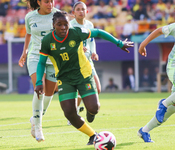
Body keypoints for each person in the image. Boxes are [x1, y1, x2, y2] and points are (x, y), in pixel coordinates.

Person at [34, 11, 133, 145]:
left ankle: (90, 112)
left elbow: (98, 32)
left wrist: (119, 43)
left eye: (66, 24)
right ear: (54, 25)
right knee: (69, 113)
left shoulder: (76, 32)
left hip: (84, 75)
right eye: (59, 24)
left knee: (94, 108)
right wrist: (39, 82)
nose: (63, 27)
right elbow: (41, 63)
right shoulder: (47, 41)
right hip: (65, 79)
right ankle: (93, 135)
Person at [137, 1, 175, 142]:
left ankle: (144, 131)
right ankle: (163, 104)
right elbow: (160, 30)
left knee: (174, 109)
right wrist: (143, 44)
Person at [18, 0, 59, 142]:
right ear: (39, 2)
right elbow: (28, 34)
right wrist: (25, 52)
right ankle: (38, 127)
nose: (50, 4)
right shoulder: (30, 17)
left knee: (50, 93)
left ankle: (34, 119)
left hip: (53, 58)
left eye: (52, 1)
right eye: (47, 1)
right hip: (35, 56)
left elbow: (67, 32)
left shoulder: (58, 15)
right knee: (39, 90)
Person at [69, 1, 101, 125]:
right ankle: (73, 115)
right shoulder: (70, 26)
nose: (81, 11)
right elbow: (67, 43)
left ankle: (84, 111)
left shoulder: (89, 24)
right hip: (75, 63)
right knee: (77, 91)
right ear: (73, 13)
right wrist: (77, 48)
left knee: (97, 89)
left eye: (83, 9)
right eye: (78, 9)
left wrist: (94, 52)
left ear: (86, 11)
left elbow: (92, 41)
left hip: (87, 61)